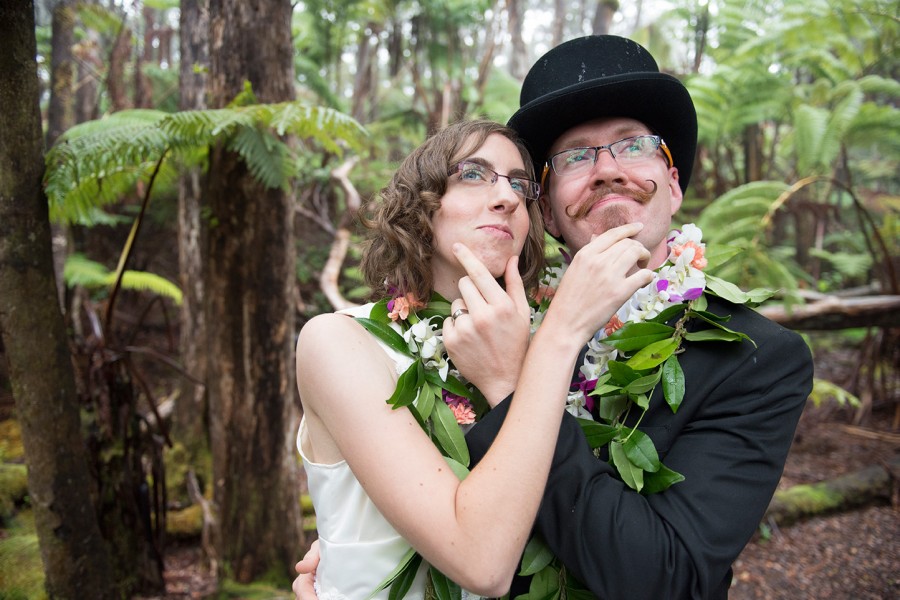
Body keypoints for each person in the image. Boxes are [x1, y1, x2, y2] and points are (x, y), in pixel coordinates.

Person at [296, 36, 814, 599]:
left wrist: (517, 381)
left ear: (674, 183)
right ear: (547, 210)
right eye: (574, 157)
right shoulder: (486, 330)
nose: (608, 170)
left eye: (634, 145)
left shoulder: (757, 357)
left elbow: (670, 579)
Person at [293, 118, 653, 598]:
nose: (506, 198)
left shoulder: (559, 335)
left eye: (520, 186)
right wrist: (557, 338)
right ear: (420, 205)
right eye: (473, 174)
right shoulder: (338, 342)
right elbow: (481, 562)